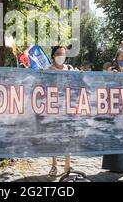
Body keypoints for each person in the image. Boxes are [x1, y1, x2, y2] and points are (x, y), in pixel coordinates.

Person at [48, 45, 74, 176]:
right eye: (58, 53)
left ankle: (68, 166)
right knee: (54, 137)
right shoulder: (47, 70)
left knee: (67, 137)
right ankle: (54, 165)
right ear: (53, 55)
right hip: (53, 108)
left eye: (63, 54)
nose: (60, 56)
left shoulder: (70, 69)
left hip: (67, 108)